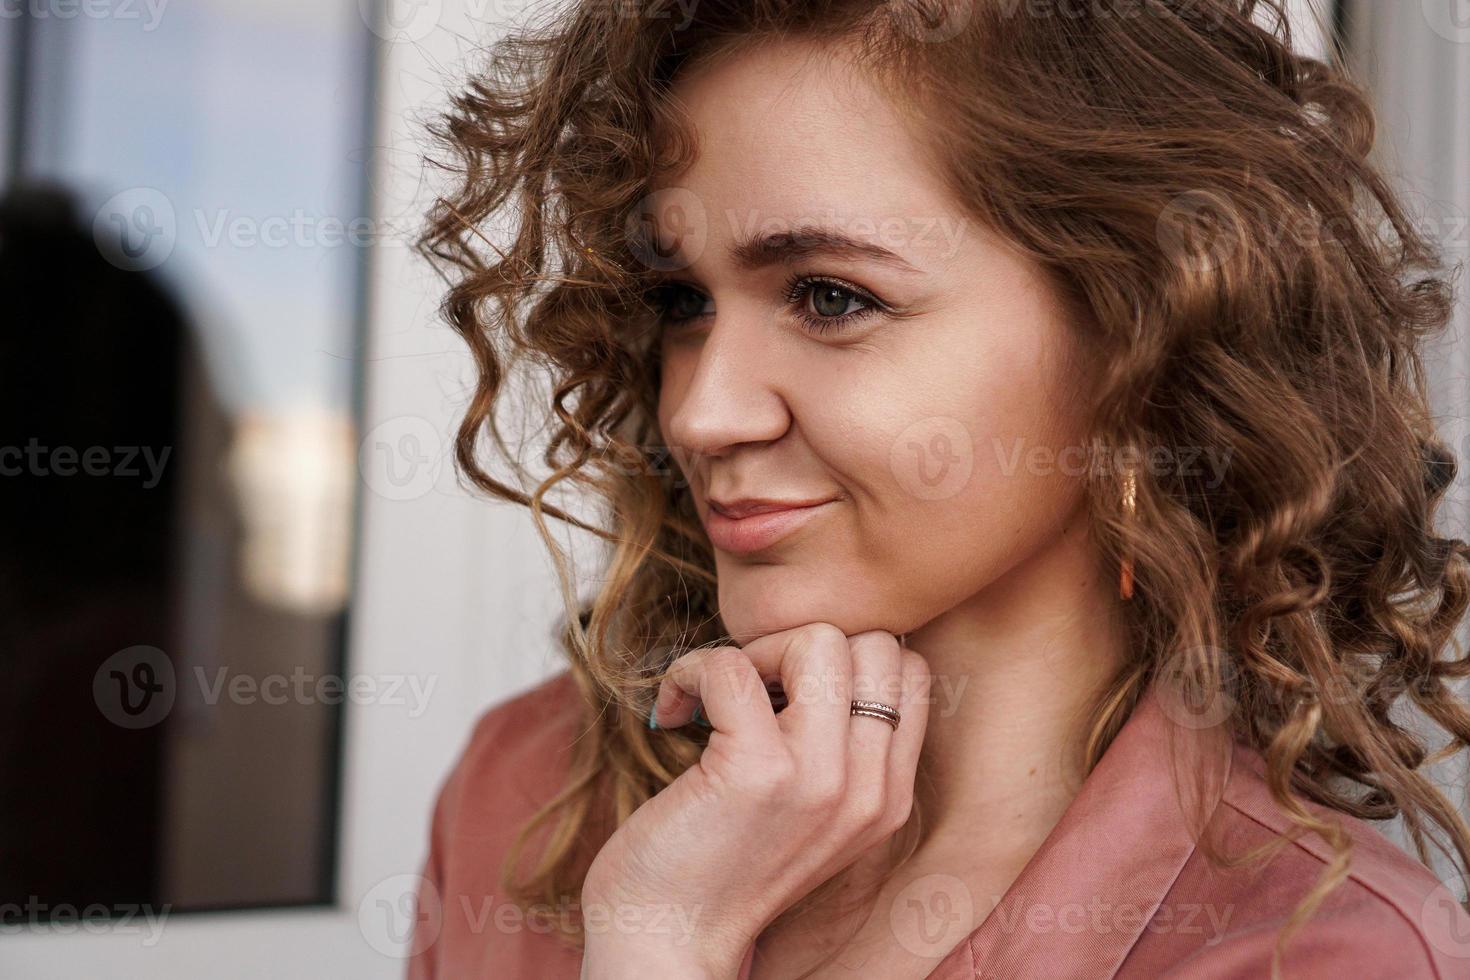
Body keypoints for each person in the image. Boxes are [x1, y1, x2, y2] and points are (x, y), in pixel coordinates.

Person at [407, 1, 1470, 977]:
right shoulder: (528, 792)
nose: (701, 410)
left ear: (1141, 340)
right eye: (683, 297)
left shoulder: (1318, 949)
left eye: (829, 296)